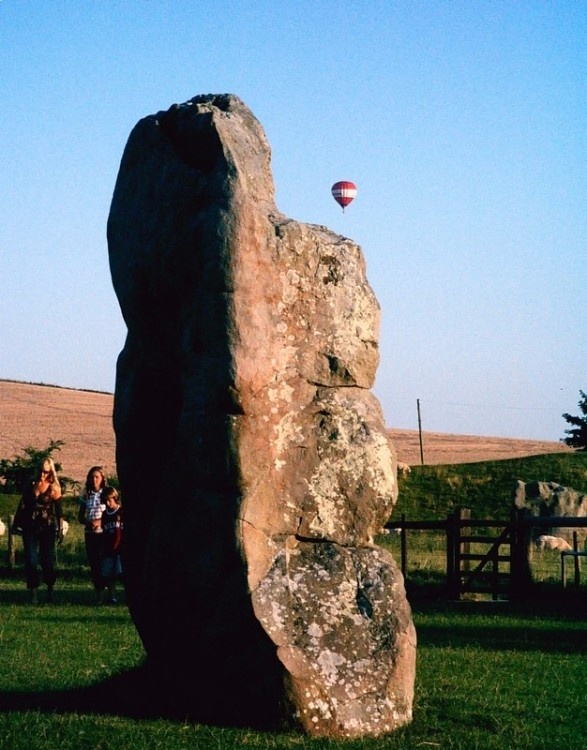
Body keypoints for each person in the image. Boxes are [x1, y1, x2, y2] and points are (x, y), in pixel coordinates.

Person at [12, 457, 63, 604]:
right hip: (30, 527)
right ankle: (34, 594)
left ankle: (50, 590)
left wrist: (60, 529)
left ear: (50, 472)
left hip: (47, 527)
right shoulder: (30, 483)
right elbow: (22, 504)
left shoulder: (54, 487)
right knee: (31, 559)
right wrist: (17, 523)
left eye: (46, 472)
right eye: (40, 471)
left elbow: (59, 511)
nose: (42, 474)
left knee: (47, 560)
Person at [78, 465, 107, 603]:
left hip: (104, 534)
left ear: (102, 479)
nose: (94, 480)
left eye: (97, 477)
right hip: (90, 533)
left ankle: (110, 592)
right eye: (92, 477)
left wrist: (100, 521)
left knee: (104, 563)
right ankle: (99, 594)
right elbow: (80, 516)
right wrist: (88, 522)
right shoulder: (86, 495)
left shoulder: (106, 494)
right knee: (94, 563)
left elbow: (114, 512)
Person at [100, 486, 123, 604]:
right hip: (108, 548)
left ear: (115, 498)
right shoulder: (105, 514)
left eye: (110, 500)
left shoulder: (121, 512)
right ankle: (112, 596)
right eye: (106, 501)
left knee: (121, 572)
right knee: (109, 574)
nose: (108, 503)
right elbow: (104, 531)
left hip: (120, 547)